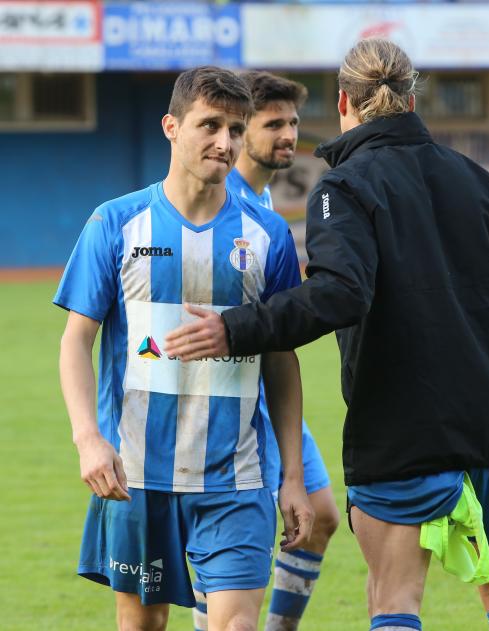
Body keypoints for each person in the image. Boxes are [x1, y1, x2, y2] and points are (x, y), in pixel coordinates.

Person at [164, 39, 489, 631]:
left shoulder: (344, 188)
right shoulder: (479, 182)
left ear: (344, 102)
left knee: (394, 599)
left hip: (402, 436)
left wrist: (234, 328)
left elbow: (341, 294)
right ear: (412, 98)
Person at [55, 66, 313, 631]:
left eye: (236, 129)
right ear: (173, 127)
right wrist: (88, 441)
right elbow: (76, 340)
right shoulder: (115, 223)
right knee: (142, 625)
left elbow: (281, 360)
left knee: (237, 625)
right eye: (210, 125)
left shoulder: (267, 235)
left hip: (236, 476)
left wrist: (292, 475)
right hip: (136, 474)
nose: (225, 142)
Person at [191, 71, 340, 631]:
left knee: (320, 517)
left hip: (269, 395)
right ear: (238, 130)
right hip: (226, 407)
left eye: (294, 123)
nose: (288, 135)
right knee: (223, 570)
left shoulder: (263, 204)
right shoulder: (219, 201)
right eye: (273, 123)